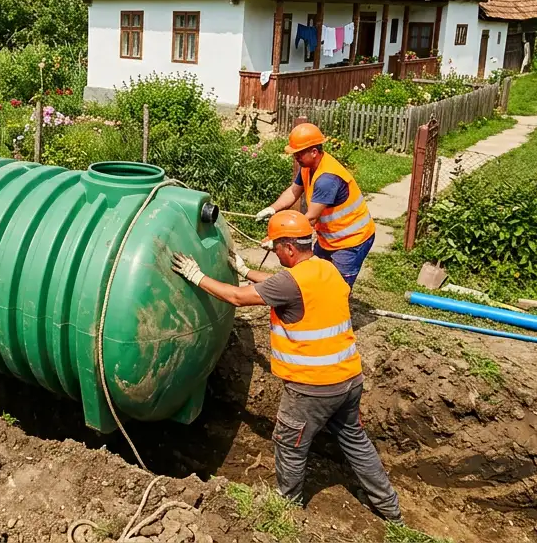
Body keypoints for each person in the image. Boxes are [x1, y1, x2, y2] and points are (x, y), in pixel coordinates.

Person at [170, 211, 402, 523]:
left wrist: (197, 276)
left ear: (289, 248)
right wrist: (247, 271)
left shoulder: (294, 282)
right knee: (354, 441)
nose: (274, 251)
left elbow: (238, 298)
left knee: (289, 444)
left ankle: (289, 511)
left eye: (276, 247)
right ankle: (390, 509)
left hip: (313, 387)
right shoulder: (326, 269)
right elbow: (284, 285)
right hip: (349, 379)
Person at [256, 123, 375, 287]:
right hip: (329, 237)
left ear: (314, 152)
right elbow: (293, 191)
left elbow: (310, 218)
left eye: (299, 153)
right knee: (315, 275)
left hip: (352, 240)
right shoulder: (308, 166)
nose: (295, 156)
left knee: (337, 287)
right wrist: (272, 208)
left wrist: (278, 241)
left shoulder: (327, 179)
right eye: (294, 153)